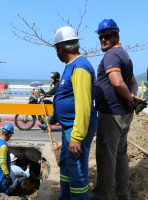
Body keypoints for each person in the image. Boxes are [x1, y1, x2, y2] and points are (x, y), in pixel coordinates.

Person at [91, 19, 138, 200]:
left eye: (107, 36)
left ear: (116, 35)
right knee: (120, 155)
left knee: (106, 156)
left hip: (112, 114)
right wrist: (132, 98)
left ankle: (101, 195)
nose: (103, 39)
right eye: (101, 36)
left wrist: (129, 99)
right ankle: (123, 194)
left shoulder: (111, 55)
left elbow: (118, 83)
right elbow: (132, 81)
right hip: (123, 113)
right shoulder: (124, 55)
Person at [52, 26, 98, 200]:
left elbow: (84, 104)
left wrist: (77, 137)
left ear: (61, 48)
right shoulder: (71, 65)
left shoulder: (80, 67)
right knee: (67, 166)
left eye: (56, 48)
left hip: (75, 128)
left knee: (77, 171)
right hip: (69, 126)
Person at [0, 123, 14, 194]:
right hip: (2, 173)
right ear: (9, 134)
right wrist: (7, 176)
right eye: (11, 135)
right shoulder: (3, 146)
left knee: (0, 190)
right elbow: (3, 163)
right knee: (4, 192)